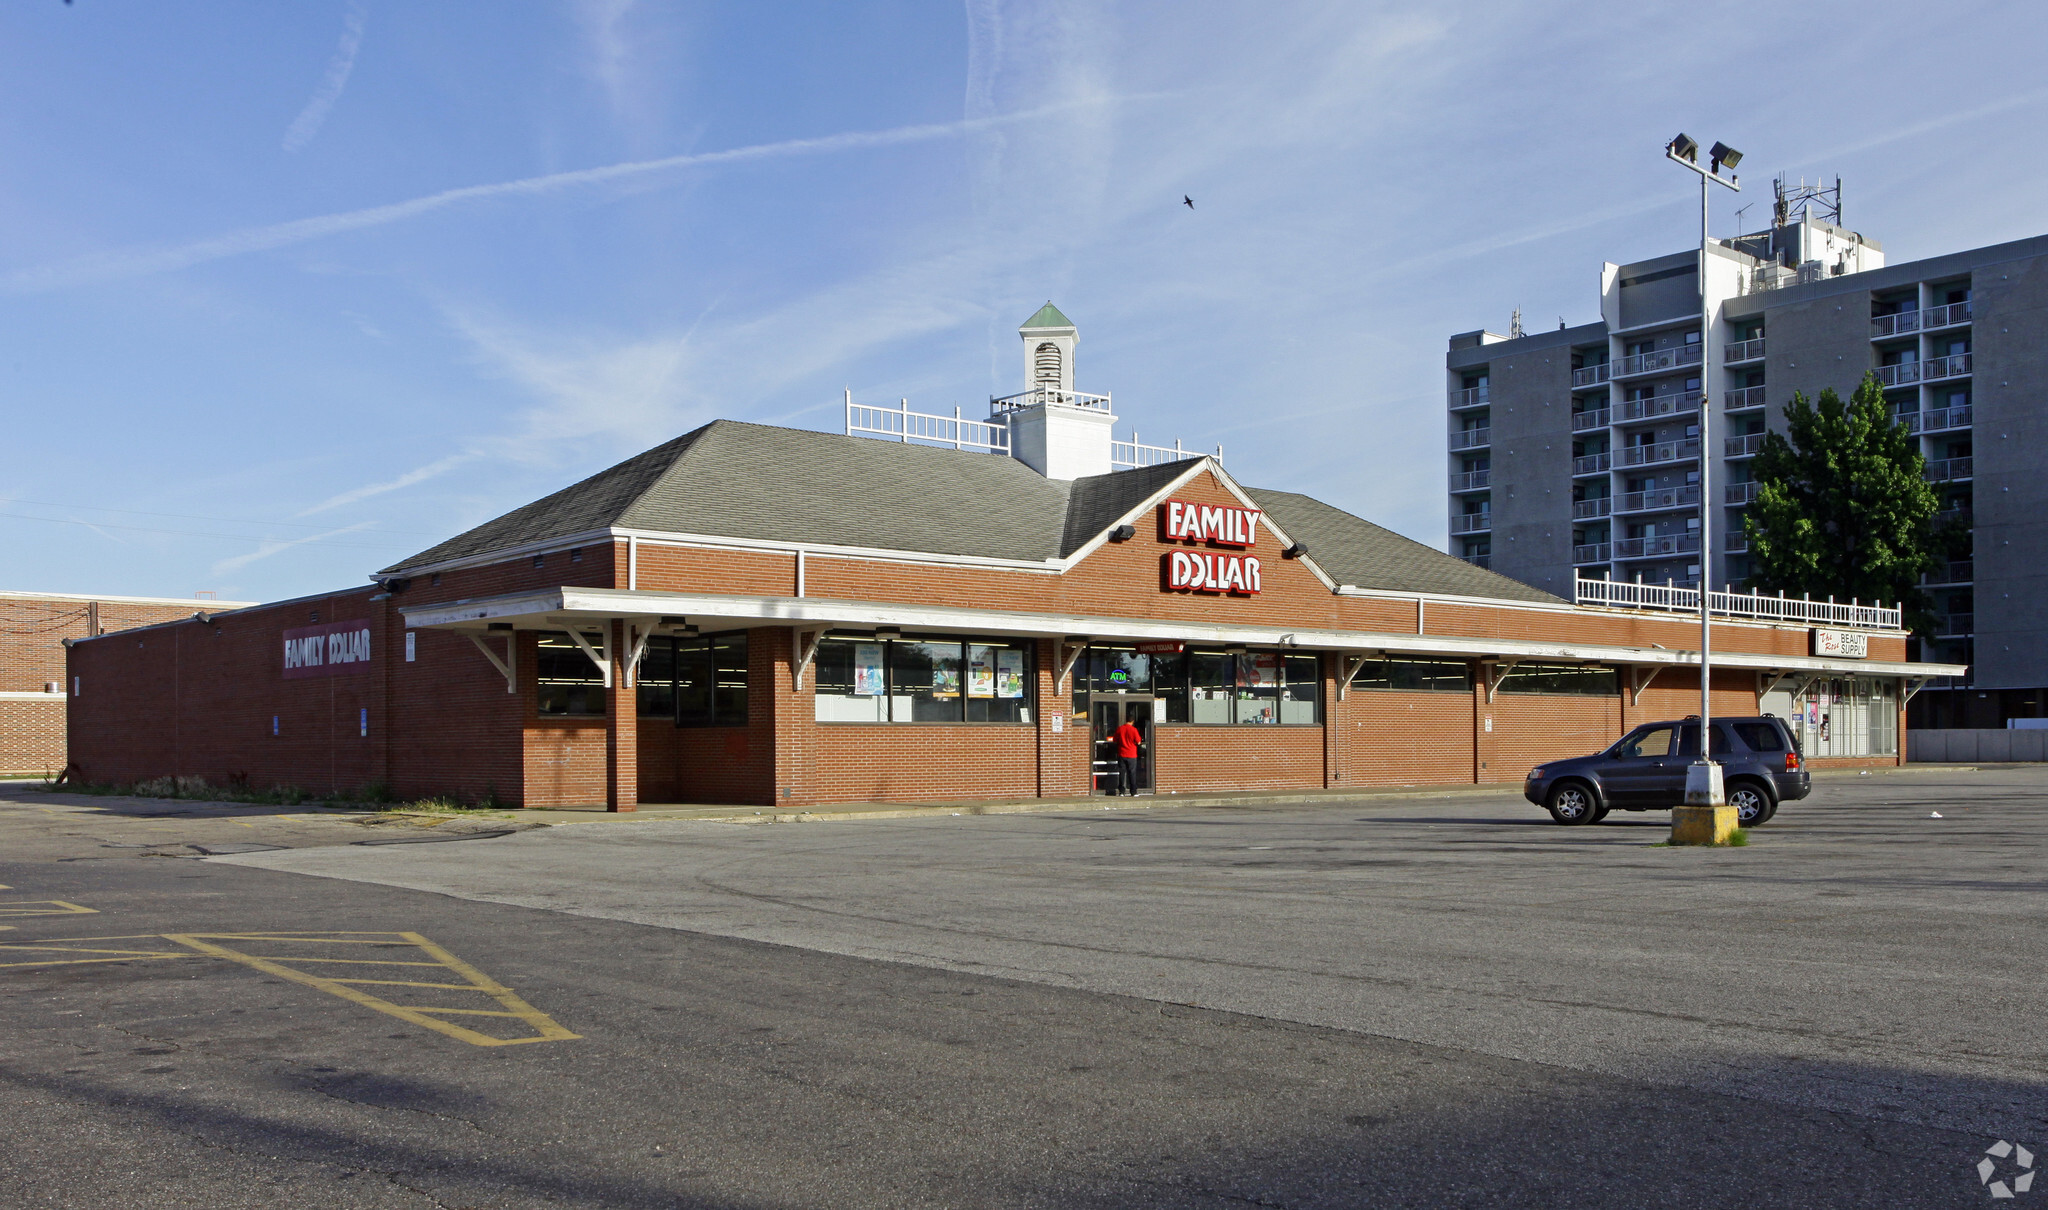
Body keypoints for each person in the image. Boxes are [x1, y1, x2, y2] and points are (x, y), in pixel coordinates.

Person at [1114, 716, 1144, 796]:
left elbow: (1115, 739)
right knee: (1132, 773)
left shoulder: (1120, 729)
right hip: (1132, 754)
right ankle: (1133, 792)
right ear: (1132, 721)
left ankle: (1121, 791)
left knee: (1122, 773)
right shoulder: (1134, 730)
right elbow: (1138, 741)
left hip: (1122, 753)